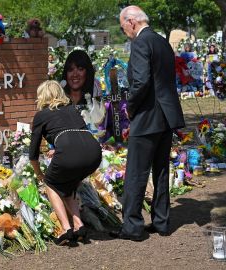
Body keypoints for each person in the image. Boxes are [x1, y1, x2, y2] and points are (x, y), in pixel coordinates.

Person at [112, 6, 185, 241]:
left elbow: (141, 82)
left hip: (146, 117)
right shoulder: (162, 42)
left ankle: (132, 227)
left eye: (123, 27)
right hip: (166, 116)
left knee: (136, 172)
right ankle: (162, 222)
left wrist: (130, 108)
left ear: (131, 21)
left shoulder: (141, 43)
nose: (125, 32)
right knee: (161, 171)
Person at [29, 80, 102, 246]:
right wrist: (61, 149)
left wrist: (39, 174)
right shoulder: (72, 109)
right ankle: (79, 225)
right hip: (93, 152)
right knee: (68, 184)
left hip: (71, 153)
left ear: (43, 96)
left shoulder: (42, 115)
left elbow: (33, 153)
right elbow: (77, 133)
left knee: (51, 183)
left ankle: (65, 229)